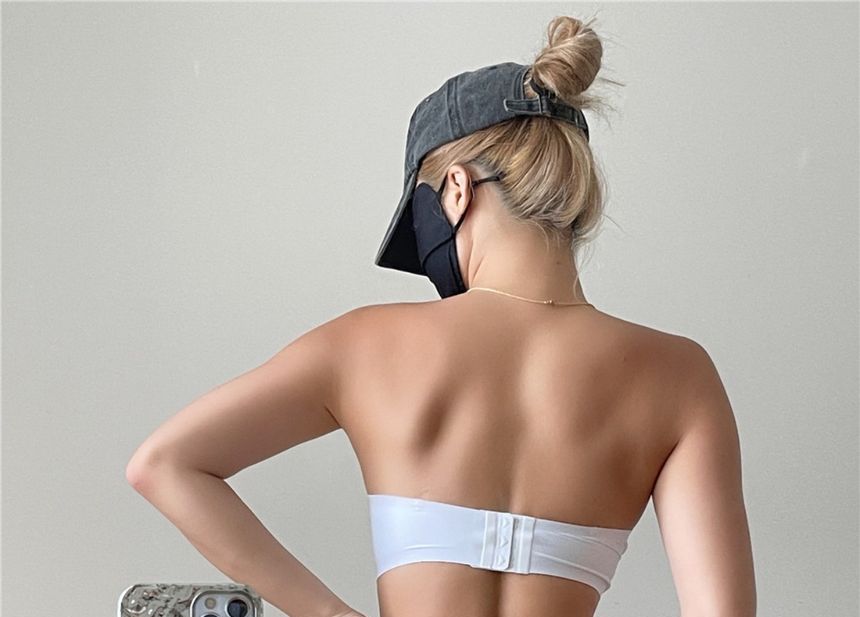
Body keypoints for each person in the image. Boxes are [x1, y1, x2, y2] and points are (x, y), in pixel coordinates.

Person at [126, 13, 756, 617]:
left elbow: (163, 464)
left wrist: (330, 614)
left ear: (455, 190)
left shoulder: (365, 345)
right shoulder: (679, 376)